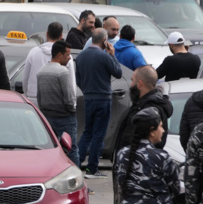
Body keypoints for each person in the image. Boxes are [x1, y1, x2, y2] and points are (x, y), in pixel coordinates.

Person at [114, 107, 181, 204]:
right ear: (152, 131)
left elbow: (121, 180)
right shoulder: (161, 157)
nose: (163, 130)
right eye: (160, 126)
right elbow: (175, 188)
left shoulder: (122, 153)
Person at [76, 28, 122, 178]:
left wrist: (87, 90)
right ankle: (92, 168)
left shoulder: (81, 56)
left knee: (87, 132)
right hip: (103, 98)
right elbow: (118, 72)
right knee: (98, 134)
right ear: (104, 40)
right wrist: (112, 55)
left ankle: (77, 163)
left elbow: (78, 79)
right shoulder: (105, 56)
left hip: (88, 97)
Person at [35, 41, 78, 167]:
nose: (70, 57)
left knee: (51, 149)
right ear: (59, 54)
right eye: (67, 54)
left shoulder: (41, 71)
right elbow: (69, 98)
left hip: (47, 117)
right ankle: (76, 179)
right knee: (72, 149)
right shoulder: (63, 72)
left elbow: (39, 97)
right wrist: (72, 110)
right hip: (65, 117)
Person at [114, 65, 173, 153]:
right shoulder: (141, 104)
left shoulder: (150, 110)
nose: (131, 84)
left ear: (140, 83)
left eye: (132, 80)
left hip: (138, 162)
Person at [18, 22, 66, 99]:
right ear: (61, 36)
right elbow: (70, 82)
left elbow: (25, 78)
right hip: (56, 100)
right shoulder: (66, 55)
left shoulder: (33, 52)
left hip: (34, 97)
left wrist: (28, 94)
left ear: (47, 34)